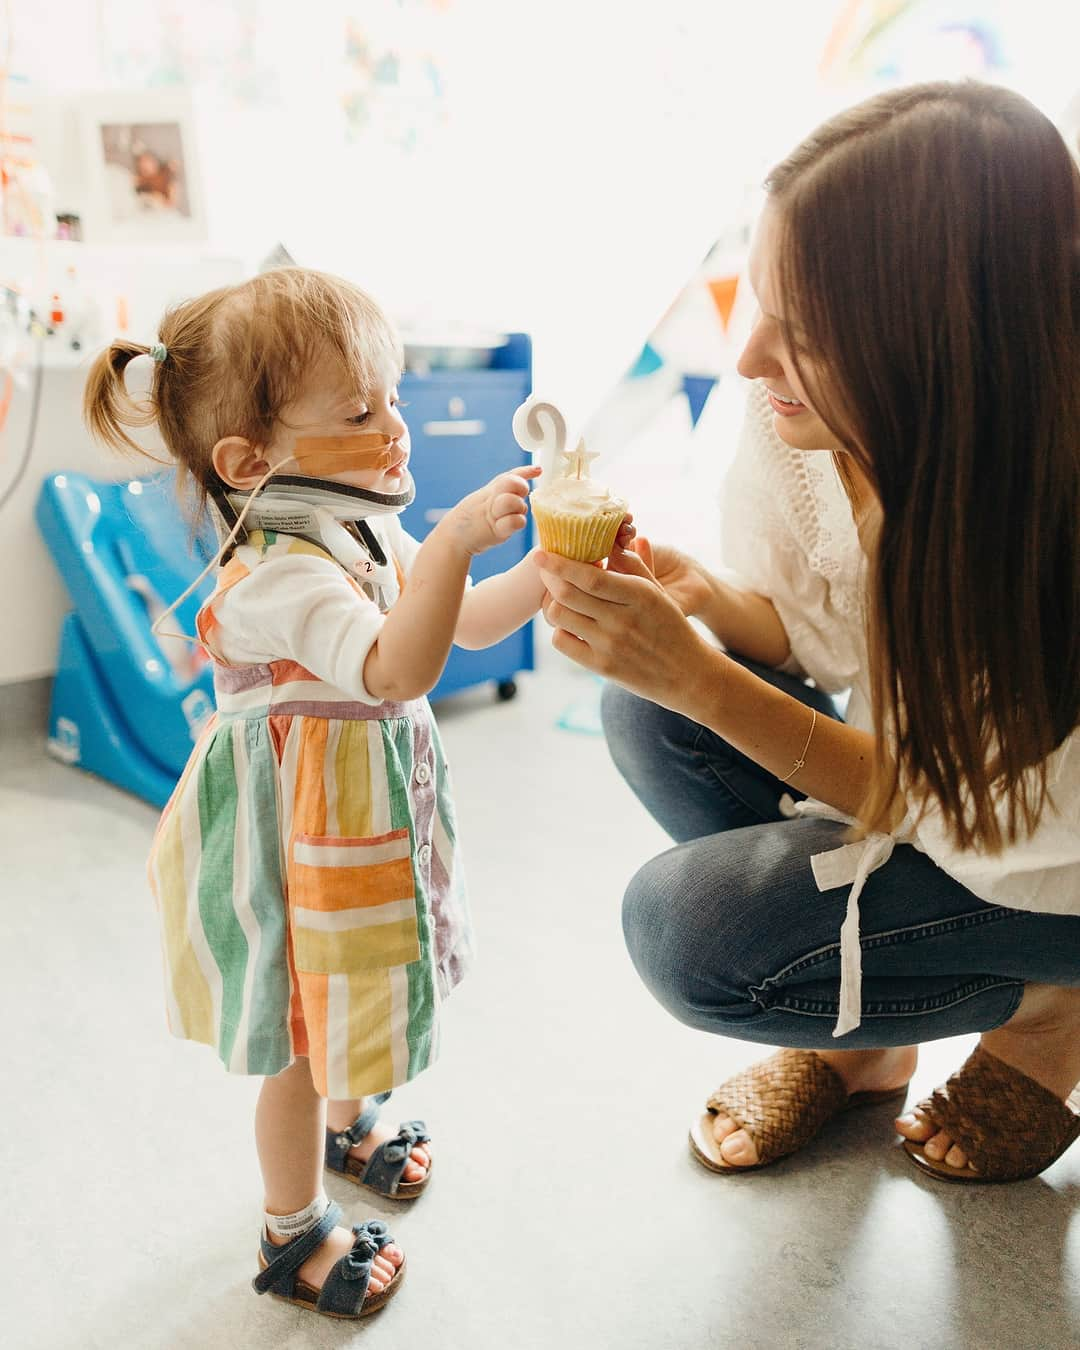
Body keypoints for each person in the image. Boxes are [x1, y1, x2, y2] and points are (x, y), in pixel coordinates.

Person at [534, 80, 1080, 1184]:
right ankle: (873, 1051)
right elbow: (824, 637)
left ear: (945, 346)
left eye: (809, 330)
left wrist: (704, 681)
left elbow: (964, 814)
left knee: (693, 939)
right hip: (938, 796)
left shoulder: (1042, 527)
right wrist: (707, 609)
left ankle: (1053, 1003)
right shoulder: (803, 416)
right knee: (647, 706)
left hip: (1048, 859)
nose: (750, 360)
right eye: (759, 304)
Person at [84, 268, 631, 1318]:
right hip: (287, 846)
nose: (396, 428)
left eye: (390, 399)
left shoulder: (362, 527)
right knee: (299, 1027)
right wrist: (465, 537)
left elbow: (463, 620)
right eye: (359, 411)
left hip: (360, 829)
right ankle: (290, 1229)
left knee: (356, 981)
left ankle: (352, 1123)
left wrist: (558, 572)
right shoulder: (278, 574)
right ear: (250, 462)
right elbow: (393, 666)